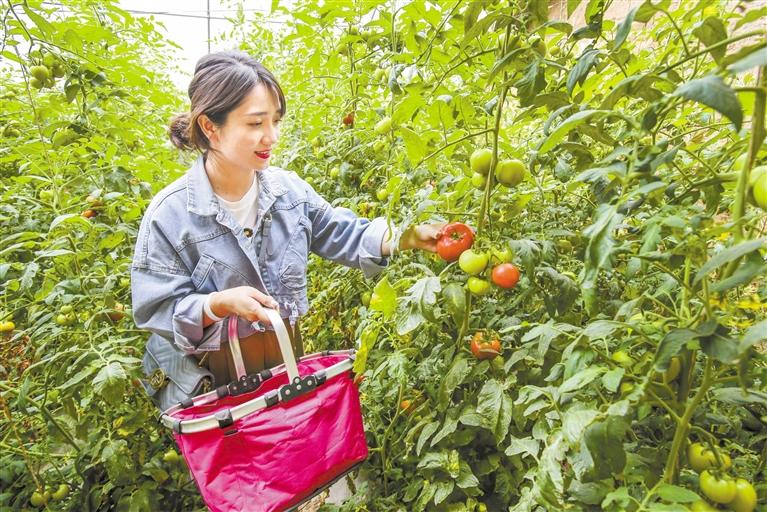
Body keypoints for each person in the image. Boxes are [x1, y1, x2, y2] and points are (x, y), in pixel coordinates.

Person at [131, 50, 442, 410]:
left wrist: (407, 236)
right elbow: (157, 309)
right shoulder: (170, 215)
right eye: (255, 124)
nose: (271, 136)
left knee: (292, 455)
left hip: (286, 369)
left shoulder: (288, 193)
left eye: (276, 121)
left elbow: (343, 233)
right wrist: (217, 304)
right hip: (219, 393)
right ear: (209, 126)